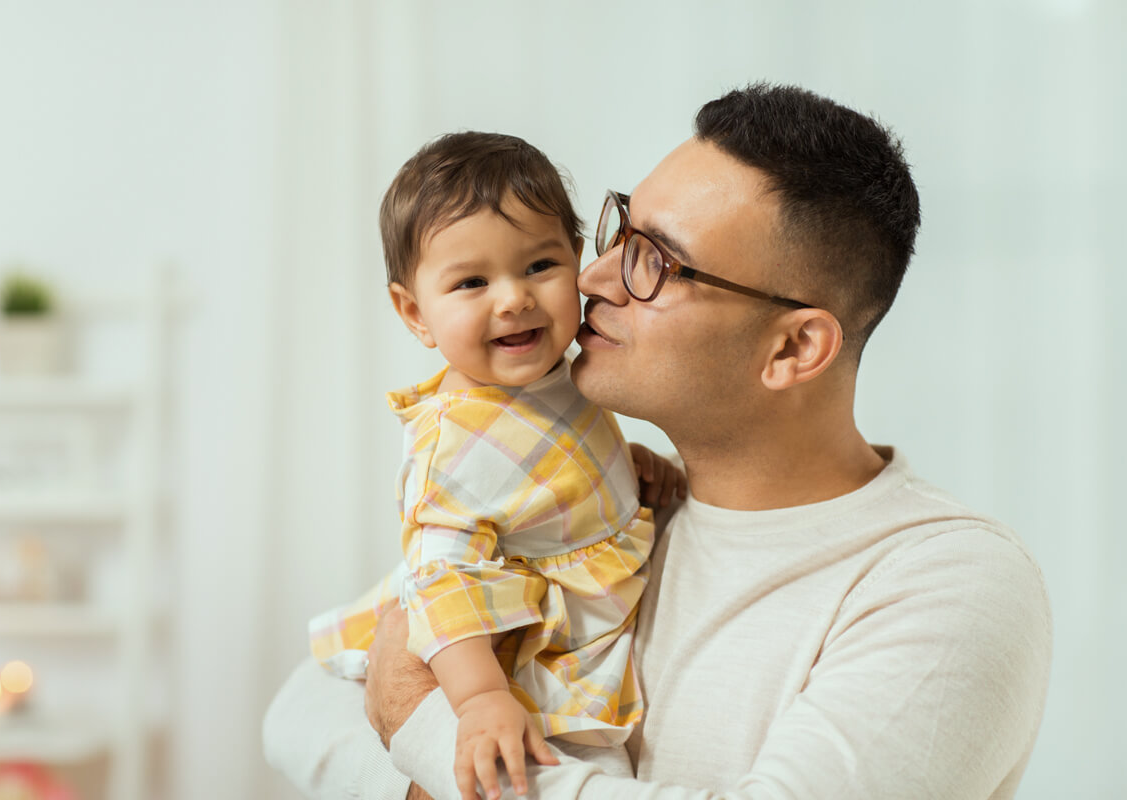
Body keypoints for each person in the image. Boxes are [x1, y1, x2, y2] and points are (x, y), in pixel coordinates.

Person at [264, 83, 1052, 800]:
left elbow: (393, 693)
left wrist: (424, 732)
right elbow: (306, 701)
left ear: (793, 349)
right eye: (617, 232)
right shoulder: (608, 497)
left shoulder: (948, 582)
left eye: (656, 262)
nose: (593, 278)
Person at [304, 131, 688, 800]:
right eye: (472, 282)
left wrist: (627, 466)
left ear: (576, 260)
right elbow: (439, 577)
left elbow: (543, 472)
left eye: (539, 266)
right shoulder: (453, 441)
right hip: (513, 650)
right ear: (415, 313)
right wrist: (480, 699)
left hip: (580, 603)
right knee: (578, 769)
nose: (512, 299)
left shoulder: (564, 373)